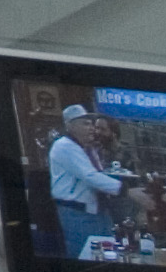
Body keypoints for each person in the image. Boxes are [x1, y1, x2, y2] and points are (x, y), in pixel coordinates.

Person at [43, 107, 146, 261]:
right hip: (77, 213)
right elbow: (89, 176)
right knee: (85, 256)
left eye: (91, 124)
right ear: (70, 126)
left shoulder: (88, 148)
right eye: (85, 124)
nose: (91, 128)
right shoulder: (64, 146)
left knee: (108, 256)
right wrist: (127, 191)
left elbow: (98, 174)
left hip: (99, 211)